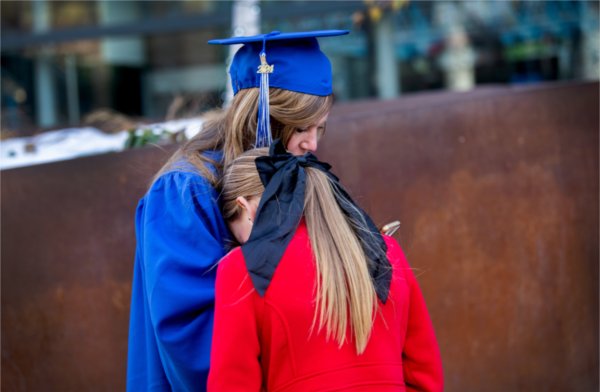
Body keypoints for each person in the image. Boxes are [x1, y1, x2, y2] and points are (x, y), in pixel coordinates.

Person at [126, 30, 349, 391]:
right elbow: (189, 333)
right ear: (261, 117)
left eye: (320, 128)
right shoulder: (186, 190)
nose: (313, 143)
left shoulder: (293, 169)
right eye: (300, 127)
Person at [208, 142, 444, 391]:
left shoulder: (241, 267)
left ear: (247, 209)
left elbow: (231, 383)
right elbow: (425, 374)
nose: (245, 245)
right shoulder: (387, 250)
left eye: (240, 236)